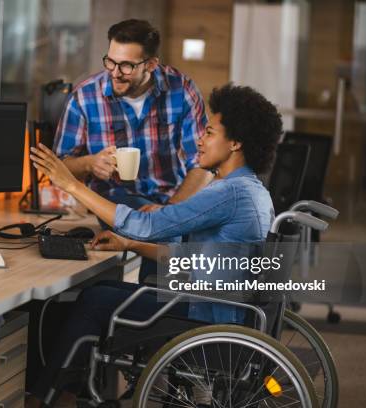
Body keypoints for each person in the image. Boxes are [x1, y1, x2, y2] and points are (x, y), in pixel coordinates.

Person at [27, 84, 282, 407]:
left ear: (235, 143)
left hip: (205, 315)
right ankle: (59, 396)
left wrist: (72, 185)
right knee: (102, 291)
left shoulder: (227, 194)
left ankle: (43, 399)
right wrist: (128, 243)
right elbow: (191, 261)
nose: (200, 140)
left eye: (209, 132)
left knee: (95, 298)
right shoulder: (252, 190)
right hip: (224, 308)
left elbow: (149, 226)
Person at [54, 19, 211, 214]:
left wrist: (170, 211)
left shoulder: (182, 90)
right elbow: (60, 165)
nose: (115, 73)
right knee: (146, 226)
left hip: (172, 198)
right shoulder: (84, 97)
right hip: (113, 202)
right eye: (110, 62)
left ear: (151, 64)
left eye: (126, 65)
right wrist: (90, 163)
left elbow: (204, 163)